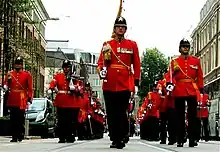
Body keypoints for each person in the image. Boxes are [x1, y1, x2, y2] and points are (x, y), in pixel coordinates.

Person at [97, 16, 141, 149]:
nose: (120, 29)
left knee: (122, 112)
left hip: (125, 82)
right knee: (111, 112)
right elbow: (100, 63)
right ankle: (114, 137)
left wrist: (136, 81)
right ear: (114, 29)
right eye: (118, 27)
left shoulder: (132, 45)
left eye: (123, 27)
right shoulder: (107, 45)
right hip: (110, 82)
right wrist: (101, 71)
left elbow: (137, 64)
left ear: (125, 29)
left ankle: (122, 136)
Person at [166, 39, 204, 147]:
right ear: (180, 48)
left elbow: (199, 76)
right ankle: (180, 138)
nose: (185, 48)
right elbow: (170, 75)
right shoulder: (175, 61)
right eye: (183, 46)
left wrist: (201, 88)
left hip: (192, 89)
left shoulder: (196, 61)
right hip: (179, 89)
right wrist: (169, 84)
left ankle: (193, 138)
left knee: (193, 116)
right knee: (179, 116)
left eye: (187, 46)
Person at [49, 60, 81, 143]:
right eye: (65, 67)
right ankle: (62, 136)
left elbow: (79, 88)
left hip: (71, 102)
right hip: (61, 101)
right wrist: (56, 90)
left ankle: (70, 136)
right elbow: (53, 84)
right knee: (61, 120)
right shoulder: (58, 76)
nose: (66, 69)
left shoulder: (74, 77)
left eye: (68, 67)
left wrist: (74, 88)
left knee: (70, 121)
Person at [3, 57, 33, 142]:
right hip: (12, 98)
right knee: (13, 118)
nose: (17, 65)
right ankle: (14, 136)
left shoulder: (27, 74)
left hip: (21, 98)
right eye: (16, 64)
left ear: (22, 65)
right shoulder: (10, 74)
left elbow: (30, 88)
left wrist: (29, 99)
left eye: (19, 64)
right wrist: (6, 85)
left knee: (20, 118)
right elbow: (6, 84)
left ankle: (20, 134)